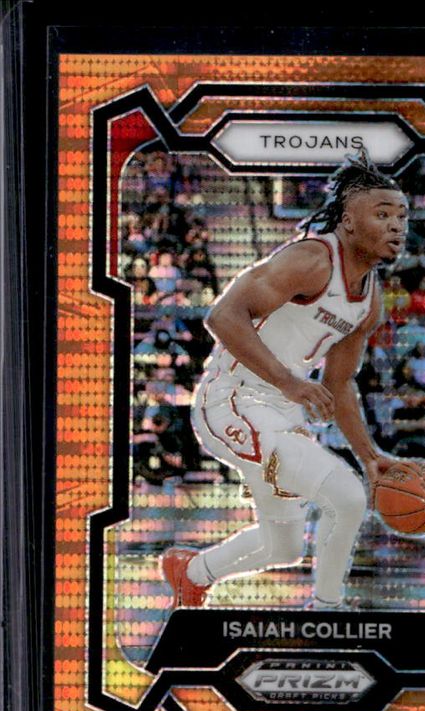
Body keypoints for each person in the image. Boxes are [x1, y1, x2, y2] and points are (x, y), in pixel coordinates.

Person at [161, 151, 408, 609]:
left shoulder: (369, 301)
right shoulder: (311, 260)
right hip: (231, 399)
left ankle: (191, 573)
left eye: (401, 216)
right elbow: (223, 316)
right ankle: (328, 611)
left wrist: (370, 456)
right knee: (346, 497)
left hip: (280, 411)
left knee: (284, 547)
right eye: (382, 214)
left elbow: (339, 384)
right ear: (349, 221)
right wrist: (289, 382)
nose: (396, 226)